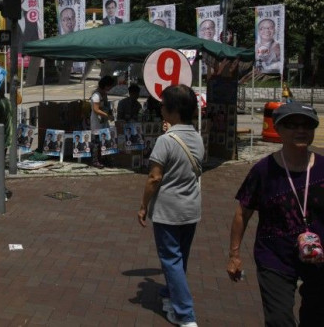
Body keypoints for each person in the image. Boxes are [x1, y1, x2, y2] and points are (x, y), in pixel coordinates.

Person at [226, 101, 324, 325]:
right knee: (279, 319)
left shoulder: (322, 168)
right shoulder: (263, 170)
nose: (300, 130)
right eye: (292, 125)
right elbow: (243, 212)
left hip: (319, 257)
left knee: (316, 316)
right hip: (275, 256)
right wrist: (234, 255)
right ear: (278, 129)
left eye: (307, 125)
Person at [137, 84, 203, 327]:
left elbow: (154, 178)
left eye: (163, 105)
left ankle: (185, 315)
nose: (160, 108)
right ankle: (170, 292)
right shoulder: (197, 136)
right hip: (191, 208)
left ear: (173, 110)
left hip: (168, 211)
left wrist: (143, 206)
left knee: (170, 258)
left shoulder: (165, 141)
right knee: (179, 257)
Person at [90, 75, 116, 168]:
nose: (110, 88)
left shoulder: (103, 94)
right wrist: (108, 116)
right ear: (105, 85)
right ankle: (95, 161)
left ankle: (104, 159)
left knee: (104, 141)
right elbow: (96, 110)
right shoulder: (96, 95)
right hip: (97, 123)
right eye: (110, 86)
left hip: (103, 123)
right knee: (96, 142)